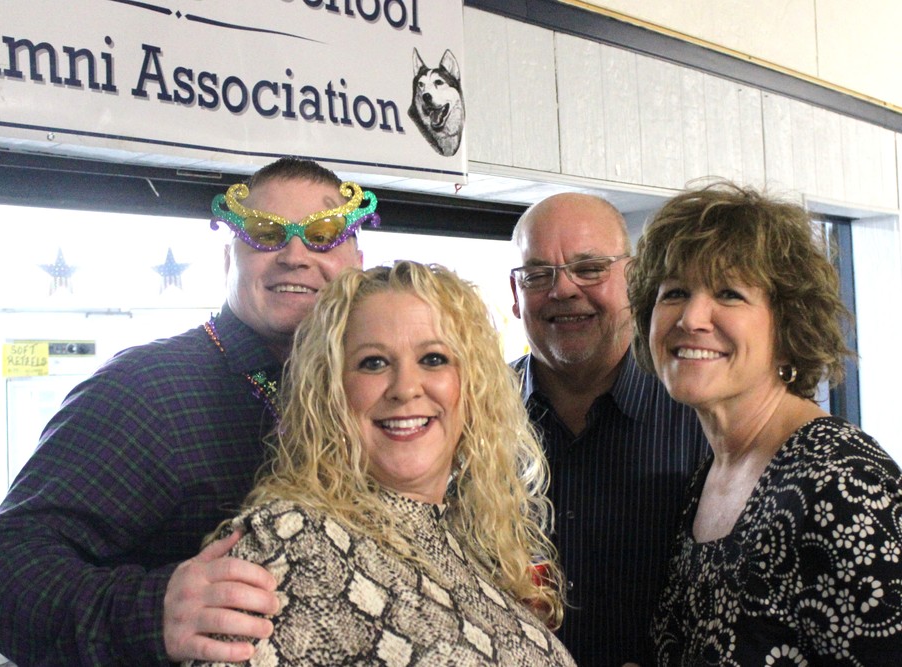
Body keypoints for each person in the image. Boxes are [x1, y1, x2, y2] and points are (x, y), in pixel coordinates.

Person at [0, 157, 378, 666]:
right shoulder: (146, 388)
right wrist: (152, 612)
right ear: (228, 261)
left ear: (358, 263)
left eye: (324, 235)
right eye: (266, 234)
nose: (295, 255)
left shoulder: (374, 392)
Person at [184, 260, 576, 666]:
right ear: (332, 391)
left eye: (433, 359)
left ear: (474, 386)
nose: (405, 388)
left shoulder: (474, 539)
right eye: (373, 362)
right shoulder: (288, 540)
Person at [627, 180, 902, 664]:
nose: (691, 318)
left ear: (790, 326)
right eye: (675, 292)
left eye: (729, 293)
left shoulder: (843, 483)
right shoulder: (710, 475)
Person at [508, 194, 708, 666]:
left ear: (634, 280)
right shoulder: (469, 414)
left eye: (590, 268)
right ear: (514, 295)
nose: (563, 290)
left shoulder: (701, 412)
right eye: (537, 275)